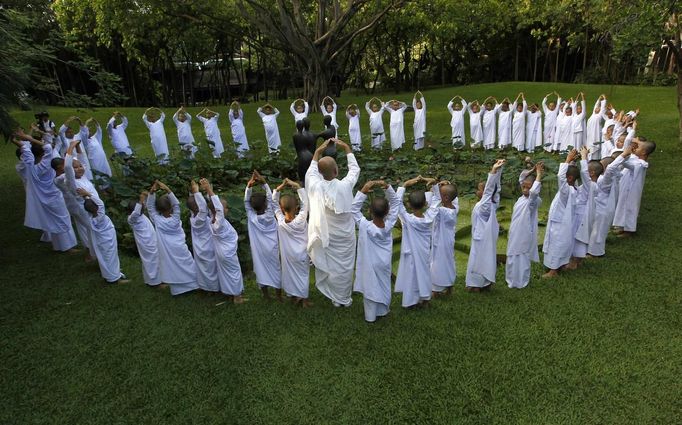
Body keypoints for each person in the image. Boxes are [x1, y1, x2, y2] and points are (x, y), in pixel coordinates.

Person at [305, 138, 360, 307]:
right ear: (336, 171)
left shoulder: (315, 186)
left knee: (334, 267)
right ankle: (343, 297)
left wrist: (317, 152)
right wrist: (347, 148)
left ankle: (337, 298)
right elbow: (354, 170)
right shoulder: (344, 186)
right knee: (345, 266)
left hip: (328, 236)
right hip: (345, 236)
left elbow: (310, 174)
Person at [12, 131, 78, 253]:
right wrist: (29, 138)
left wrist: (17, 141)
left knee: (54, 220)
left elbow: (26, 151)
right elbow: (48, 147)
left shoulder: (29, 166)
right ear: (42, 155)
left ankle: (58, 245)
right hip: (54, 197)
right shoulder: (45, 165)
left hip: (44, 199)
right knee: (62, 220)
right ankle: (67, 247)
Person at [351, 180, 400, 322]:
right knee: (383, 285)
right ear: (387, 212)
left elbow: (354, 209)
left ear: (369, 211)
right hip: (384, 264)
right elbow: (396, 203)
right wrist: (388, 188)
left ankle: (370, 316)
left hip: (370, 264)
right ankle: (383, 310)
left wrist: (364, 190)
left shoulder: (365, 226)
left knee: (370, 287)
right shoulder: (389, 224)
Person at [395, 176, 441, 307]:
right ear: (426, 204)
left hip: (410, 254)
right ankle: (425, 298)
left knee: (411, 276)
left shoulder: (407, 220)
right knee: (424, 273)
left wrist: (404, 185)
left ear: (408, 205)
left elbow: (397, 204)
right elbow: (437, 200)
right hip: (424, 252)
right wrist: (435, 185)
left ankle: (411, 301)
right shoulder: (429, 218)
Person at [147, 181, 198, 295]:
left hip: (168, 250)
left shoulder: (157, 220)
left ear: (158, 209)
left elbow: (149, 207)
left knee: (172, 267)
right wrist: (168, 189)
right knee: (188, 263)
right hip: (179, 247)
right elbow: (177, 204)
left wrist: (152, 192)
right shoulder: (175, 218)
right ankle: (194, 283)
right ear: (171, 208)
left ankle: (178, 289)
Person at [200, 178, 245, 303]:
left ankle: (229, 292)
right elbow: (217, 208)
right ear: (219, 210)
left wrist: (208, 192)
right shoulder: (220, 223)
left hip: (220, 253)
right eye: (225, 208)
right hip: (228, 254)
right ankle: (237, 297)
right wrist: (209, 189)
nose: (227, 209)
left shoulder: (211, 220)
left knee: (225, 273)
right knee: (234, 273)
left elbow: (213, 207)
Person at [465, 159, 505, 291]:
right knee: (487, 259)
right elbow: (495, 190)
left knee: (478, 260)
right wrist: (499, 171)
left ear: (483, 193)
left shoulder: (485, 205)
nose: (477, 191)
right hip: (485, 236)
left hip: (480, 237)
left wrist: (493, 171)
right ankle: (485, 283)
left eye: (478, 189)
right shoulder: (494, 202)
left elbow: (490, 189)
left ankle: (477, 285)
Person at [77, 188, 129, 283]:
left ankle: (113, 272)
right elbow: (100, 203)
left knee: (106, 258)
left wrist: (85, 197)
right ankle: (114, 279)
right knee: (110, 258)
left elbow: (92, 205)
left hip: (101, 242)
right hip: (108, 240)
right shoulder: (100, 215)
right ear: (97, 208)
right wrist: (87, 193)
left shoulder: (90, 219)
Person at [273, 178, 311, 306]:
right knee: (303, 276)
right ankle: (304, 300)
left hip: (288, 255)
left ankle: (294, 296)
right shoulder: (300, 219)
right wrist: (297, 186)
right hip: (302, 254)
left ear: (281, 208)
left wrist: (279, 188)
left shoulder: (281, 221)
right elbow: (306, 203)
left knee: (290, 275)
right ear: (296, 207)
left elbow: (274, 204)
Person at [54, 141, 94, 260]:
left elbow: (83, 164)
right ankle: (91, 252)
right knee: (90, 229)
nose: (78, 168)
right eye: (74, 167)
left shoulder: (75, 174)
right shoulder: (62, 179)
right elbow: (69, 169)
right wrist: (71, 147)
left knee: (84, 228)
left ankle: (89, 251)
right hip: (78, 207)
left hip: (77, 206)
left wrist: (77, 148)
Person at [542, 149, 579, 278]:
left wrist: (567, 160)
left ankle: (553, 271)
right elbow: (572, 175)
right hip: (562, 222)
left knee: (556, 245)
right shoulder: (575, 188)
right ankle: (560, 264)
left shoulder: (566, 192)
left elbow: (560, 176)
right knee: (561, 244)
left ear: (569, 178)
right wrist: (573, 161)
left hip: (559, 224)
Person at [506, 162, 543, 289]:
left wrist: (538, 174)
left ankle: (521, 282)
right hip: (514, 232)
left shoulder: (532, 202)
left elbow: (534, 192)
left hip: (524, 233)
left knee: (522, 257)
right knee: (512, 255)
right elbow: (522, 178)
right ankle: (511, 280)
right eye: (524, 187)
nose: (526, 189)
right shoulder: (521, 198)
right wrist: (532, 170)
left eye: (528, 187)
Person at [245, 170, 281, 300]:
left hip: (258, 252)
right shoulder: (270, 216)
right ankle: (278, 296)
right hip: (272, 250)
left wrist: (249, 186)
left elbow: (246, 203)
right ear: (265, 204)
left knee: (261, 271)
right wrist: (265, 183)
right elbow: (271, 200)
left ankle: (266, 295)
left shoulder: (251, 217)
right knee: (275, 270)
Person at [612, 137, 655, 237]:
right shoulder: (635, 159)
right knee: (622, 205)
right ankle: (622, 226)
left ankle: (629, 230)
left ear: (643, 152)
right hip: (626, 187)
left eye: (638, 147)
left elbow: (626, 163)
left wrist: (622, 156)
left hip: (632, 191)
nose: (635, 148)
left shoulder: (641, 165)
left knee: (630, 208)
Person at [188, 179, 219, 293]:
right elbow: (202, 208)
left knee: (204, 270)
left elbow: (197, 205)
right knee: (211, 270)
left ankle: (205, 288)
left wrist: (195, 190)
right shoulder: (200, 219)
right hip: (207, 248)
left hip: (200, 248)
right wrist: (197, 192)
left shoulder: (193, 217)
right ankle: (213, 288)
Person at [587, 152, 621, 257]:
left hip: (603, 209)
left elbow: (610, 169)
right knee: (598, 230)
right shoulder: (613, 177)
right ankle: (592, 249)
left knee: (599, 231)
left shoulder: (605, 180)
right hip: (605, 208)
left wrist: (624, 154)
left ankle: (596, 253)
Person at [568, 147, 596, 270]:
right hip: (578, 213)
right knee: (576, 237)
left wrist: (584, 157)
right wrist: (572, 162)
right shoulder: (586, 186)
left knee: (579, 238)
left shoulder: (591, 185)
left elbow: (584, 174)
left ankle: (575, 261)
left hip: (582, 216)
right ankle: (576, 260)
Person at [430, 181, 459, 295]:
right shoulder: (454, 208)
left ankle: (436, 289)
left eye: (440, 195)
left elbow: (432, 207)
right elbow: (454, 197)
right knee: (449, 261)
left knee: (438, 263)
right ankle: (449, 286)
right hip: (449, 240)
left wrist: (434, 188)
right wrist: (444, 185)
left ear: (446, 198)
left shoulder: (442, 211)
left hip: (441, 242)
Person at [127, 191, 161, 286]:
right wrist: (140, 201)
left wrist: (149, 194)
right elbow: (136, 212)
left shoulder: (140, 215)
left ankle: (151, 280)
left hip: (150, 241)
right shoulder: (132, 219)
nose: (143, 206)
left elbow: (146, 205)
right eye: (141, 205)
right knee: (151, 261)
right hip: (146, 243)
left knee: (152, 260)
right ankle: (155, 282)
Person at [586, 95, 607, 159]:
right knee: (589, 146)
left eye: (598, 108)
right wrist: (599, 99)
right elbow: (595, 106)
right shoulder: (593, 115)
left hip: (596, 134)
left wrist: (604, 100)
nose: (596, 108)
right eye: (596, 108)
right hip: (590, 135)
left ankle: (595, 158)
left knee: (595, 146)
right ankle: (589, 157)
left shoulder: (599, 116)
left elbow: (603, 108)